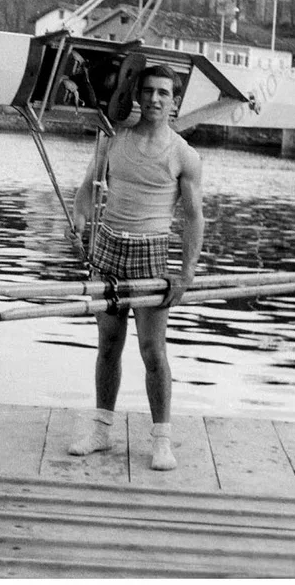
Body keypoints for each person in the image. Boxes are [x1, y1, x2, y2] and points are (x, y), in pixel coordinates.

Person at [67, 63, 204, 471]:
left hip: (151, 252)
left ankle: (161, 441)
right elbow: (87, 190)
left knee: (152, 351)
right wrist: (79, 218)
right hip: (108, 248)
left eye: (163, 93)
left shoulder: (184, 154)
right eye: (148, 91)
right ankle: (101, 431)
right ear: (137, 96)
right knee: (108, 345)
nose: (154, 99)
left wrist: (186, 273)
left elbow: (194, 217)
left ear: (175, 102)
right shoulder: (113, 140)